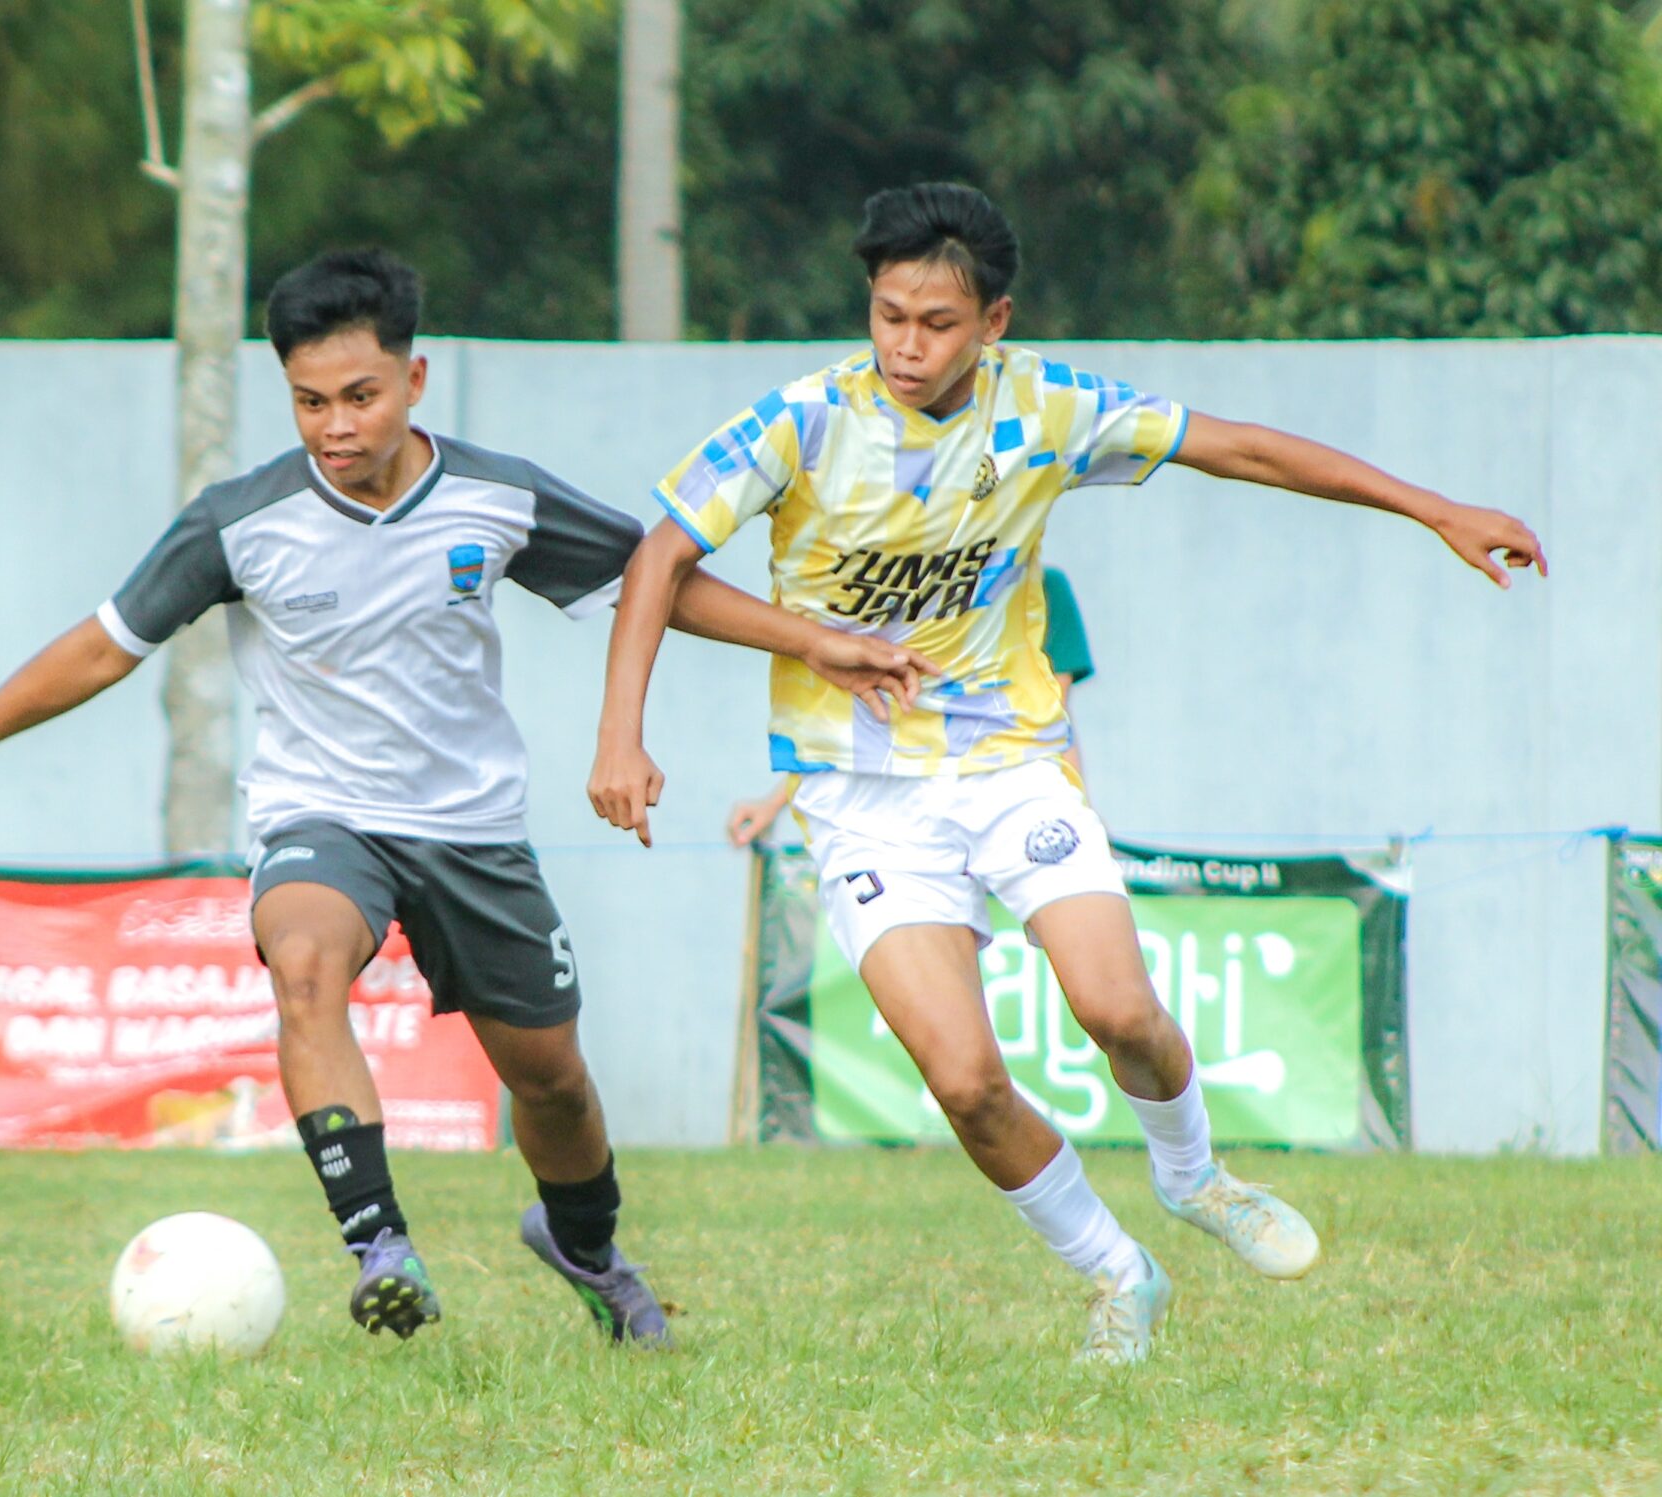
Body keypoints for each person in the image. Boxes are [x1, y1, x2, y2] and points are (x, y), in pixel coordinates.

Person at [0, 249, 925, 1347]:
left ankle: (586, 1244)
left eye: (359, 396)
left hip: (472, 830)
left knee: (551, 1081)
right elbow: (102, 646)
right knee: (303, 966)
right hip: (321, 817)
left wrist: (814, 641)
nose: (335, 425)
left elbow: (658, 582)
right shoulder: (238, 520)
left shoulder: (496, 495)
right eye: (309, 401)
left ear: (413, 380)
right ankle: (379, 1245)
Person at [590, 185, 1545, 1365]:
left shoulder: (1048, 407)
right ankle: (1117, 1272)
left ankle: (1195, 1179)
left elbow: (1240, 449)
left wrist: (1432, 509)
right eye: (887, 315)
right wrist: (626, 733)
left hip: (1011, 763)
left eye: (936, 322)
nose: (904, 345)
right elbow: (659, 560)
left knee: (1117, 1011)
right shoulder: (801, 423)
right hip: (858, 795)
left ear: (993, 321)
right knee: (963, 1082)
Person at [726, 565, 1093, 845]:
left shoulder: (1043, 587)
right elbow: (876, 723)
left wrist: (1077, 816)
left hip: (1013, 791)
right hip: (909, 799)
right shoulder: (913, 591)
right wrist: (773, 804)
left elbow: (1048, 717)